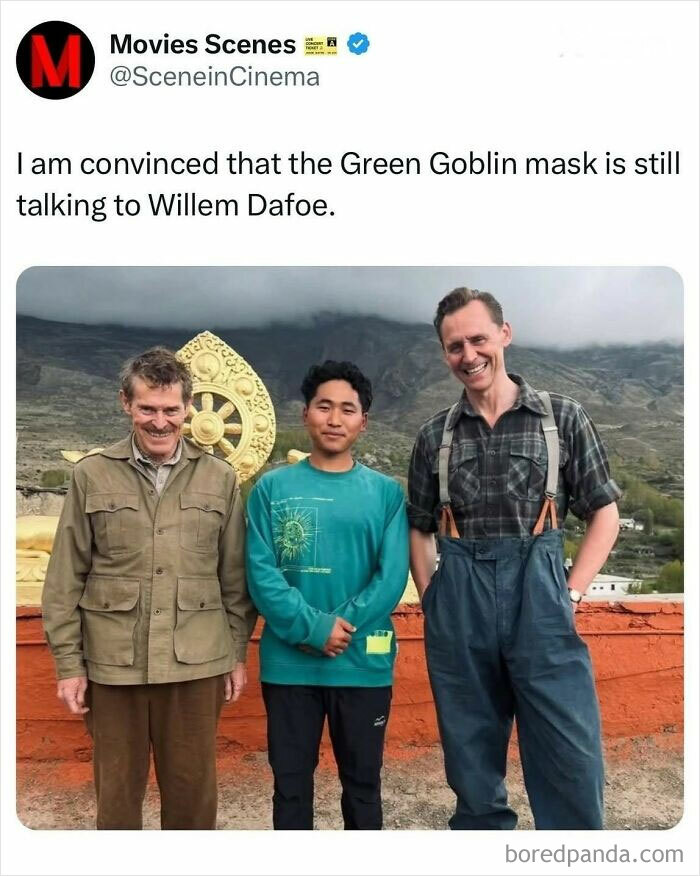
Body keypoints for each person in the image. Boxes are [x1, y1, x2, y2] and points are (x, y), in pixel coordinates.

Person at [408, 288, 621, 830]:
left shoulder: (562, 418)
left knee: (569, 752)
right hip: (459, 605)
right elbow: (419, 526)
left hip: (543, 598)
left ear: (505, 334)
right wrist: (433, 598)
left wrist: (569, 593)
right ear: (444, 353)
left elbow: (605, 513)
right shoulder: (434, 435)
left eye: (478, 338)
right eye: (455, 346)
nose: (469, 354)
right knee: (471, 757)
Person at [41, 347, 257, 830]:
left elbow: (235, 581)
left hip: (196, 664)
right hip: (113, 666)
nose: (160, 422)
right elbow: (64, 579)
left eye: (170, 410)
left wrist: (235, 655)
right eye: (148, 409)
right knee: (116, 801)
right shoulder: (91, 474)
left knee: (193, 801)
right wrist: (70, 666)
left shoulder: (219, 479)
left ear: (188, 408)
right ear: (126, 404)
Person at [245, 360, 409, 830]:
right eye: (324, 406)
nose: (335, 419)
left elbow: (391, 576)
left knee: (362, 786)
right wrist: (314, 628)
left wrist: (339, 630)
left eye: (348, 409)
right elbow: (261, 573)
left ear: (363, 421)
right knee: (290, 786)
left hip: (362, 666)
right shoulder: (271, 489)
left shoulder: (385, 494)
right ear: (305, 414)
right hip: (289, 665)